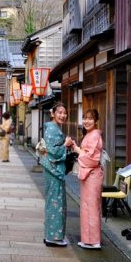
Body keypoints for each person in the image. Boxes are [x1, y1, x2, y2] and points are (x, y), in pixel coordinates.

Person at [40, 104, 73, 247]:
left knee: (53, 201)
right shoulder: (53, 130)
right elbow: (54, 152)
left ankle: (50, 234)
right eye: (59, 112)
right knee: (56, 202)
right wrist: (65, 145)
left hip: (51, 169)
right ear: (52, 113)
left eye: (64, 113)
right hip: (54, 170)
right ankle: (53, 237)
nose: (62, 115)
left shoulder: (53, 128)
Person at [70, 108, 104, 249]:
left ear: (96, 121)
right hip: (89, 175)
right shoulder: (90, 134)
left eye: (90, 118)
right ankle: (88, 239)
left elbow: (92, 159)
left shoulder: (94, 135)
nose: (86, 121)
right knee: (87, 206)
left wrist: (77, 149)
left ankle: (93, 241)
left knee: (91, 207)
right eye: (85, 118)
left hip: (92, 174)